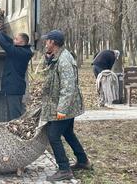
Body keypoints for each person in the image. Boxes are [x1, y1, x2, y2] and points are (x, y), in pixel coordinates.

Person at [40, 30, 92, 182]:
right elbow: (48, 74)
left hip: (65, 106)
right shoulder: (57, 56)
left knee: (53, 135)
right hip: (64, 105)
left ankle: (64, 169)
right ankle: (83, 161)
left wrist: (61, 110)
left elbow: (68, 88)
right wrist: (48, 59)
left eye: (47, 41)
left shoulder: (64, 60)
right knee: (68, 132)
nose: (45, 43)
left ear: (53, 43)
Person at [0, 22, 33, 121]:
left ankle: (16, 134)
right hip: (14, 87)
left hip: (14, 88)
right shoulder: (22, 49)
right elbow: (10, 41)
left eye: (16, 39)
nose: (14, 40)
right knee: (12, 113)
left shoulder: (20, 52)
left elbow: (6, 45)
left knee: (14, 116)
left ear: (22, 42)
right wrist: (0, 32)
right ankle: (13, 132)